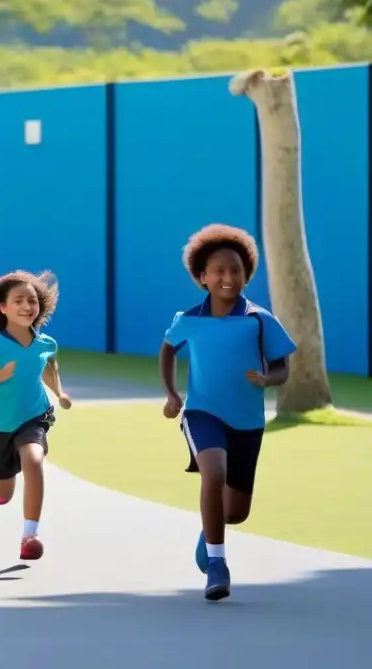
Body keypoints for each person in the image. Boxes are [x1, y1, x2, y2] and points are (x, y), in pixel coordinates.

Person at [159, 223, 296, 602]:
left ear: (246, 275)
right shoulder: (189, 319)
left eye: (235, 270)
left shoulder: (259, 319)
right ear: (202, 277)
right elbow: (169, 349)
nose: (227, 277)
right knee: (213, 472)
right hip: (202, 412)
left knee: (236, 511)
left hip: (248, 422)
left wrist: (269, 379)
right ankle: (218, 566)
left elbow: (282, 366)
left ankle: (211, 531)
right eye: (218, 271)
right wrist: (172, 394)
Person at [0, 270, 72, 561]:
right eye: (19, 301)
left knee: (34, 460)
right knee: (4, 494)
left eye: (33, 301)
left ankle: (30, 535)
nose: (27, 306)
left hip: (34, 415)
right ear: (3, 308)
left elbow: (49, 369)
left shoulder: (46, 343)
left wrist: (59, 393)